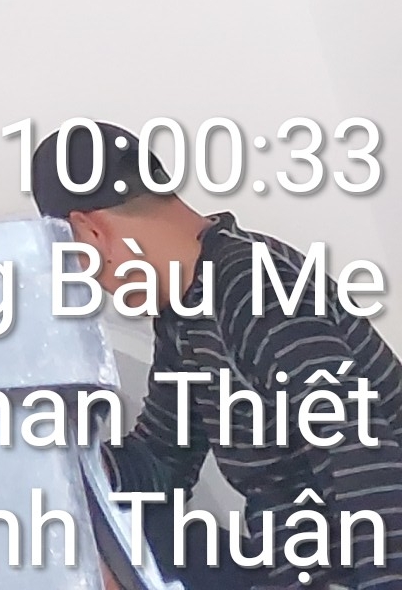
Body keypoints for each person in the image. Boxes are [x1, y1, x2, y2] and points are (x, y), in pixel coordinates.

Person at [32, 122, 402, 590]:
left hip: (360, 566)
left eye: (79, 264)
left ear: (90, 232)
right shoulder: (186, 314)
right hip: (291, 564)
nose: (97, 286)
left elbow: (363, 461)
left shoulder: (255, 289)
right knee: (103, 533)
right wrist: (70, 466)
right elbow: (163, 462)